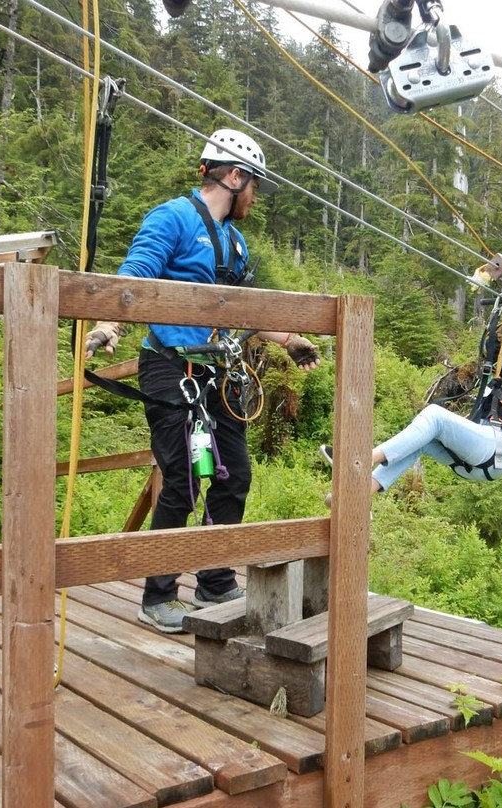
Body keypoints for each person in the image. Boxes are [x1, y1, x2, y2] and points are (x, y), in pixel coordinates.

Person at [86, 128, 321, 633]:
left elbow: (247, 307)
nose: (254, 197)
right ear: (233, 177)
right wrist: (109, 324)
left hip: (216, 372)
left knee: (233, 473)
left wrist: (290, 339)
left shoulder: (234, 243)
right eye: (253, 185)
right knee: (183, 478)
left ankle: (214, 577)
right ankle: (158, 593)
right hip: (171, 368)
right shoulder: (171, 217)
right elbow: (136, 277)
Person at [322, 290, 502, 501]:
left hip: (498, 448)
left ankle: (357, 461)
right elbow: (496, 343)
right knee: (422, 441)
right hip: (482, 448)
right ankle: (359, 494)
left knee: (435, 417)